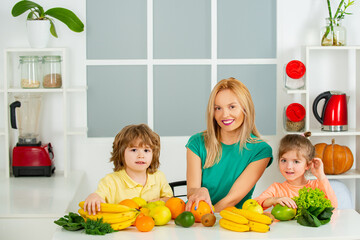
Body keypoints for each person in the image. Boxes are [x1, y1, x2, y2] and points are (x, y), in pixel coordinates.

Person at [185, 77, 273, 212]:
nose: (225, 115)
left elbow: (232, 199)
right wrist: (199, 191)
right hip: (197, 217)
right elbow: (192, 190)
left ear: (245, 108)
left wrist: (209, 217)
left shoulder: (260, 151)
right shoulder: (197, 143)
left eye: (232, 107)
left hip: (232, 221)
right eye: (218, 108)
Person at [84, 124, 173, 215]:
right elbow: (99, 196)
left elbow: (170, 201)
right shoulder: (110, 181)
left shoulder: (159, 177)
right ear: (121, 153)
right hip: (122, 228)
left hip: (152, 227)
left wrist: (153, 203)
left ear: (153, 154)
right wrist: (93, 196)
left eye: (146, 150)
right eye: (134, 150)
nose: (141, 156)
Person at [254, 132, 338, 209]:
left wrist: (321, 175)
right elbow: (256, 204)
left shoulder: (316, 186)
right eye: (284, 160)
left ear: (307, 165)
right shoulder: (276, 188)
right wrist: (274, 200)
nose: (288, 167)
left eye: (296, 161)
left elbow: (333, 206)